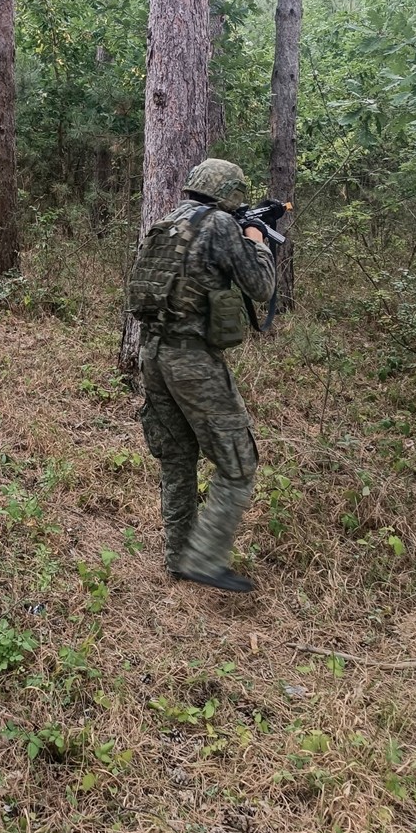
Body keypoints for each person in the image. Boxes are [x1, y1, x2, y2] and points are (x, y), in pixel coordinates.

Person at [135, 159, 276, 593]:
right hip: (191, 361)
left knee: (178, 457)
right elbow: (261, 286)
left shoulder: (170, 221)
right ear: (230, 193)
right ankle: (205, 558)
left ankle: (178, 557)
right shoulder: (219, 226)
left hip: (153, 354)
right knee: (239, 462)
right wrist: (257, 238)